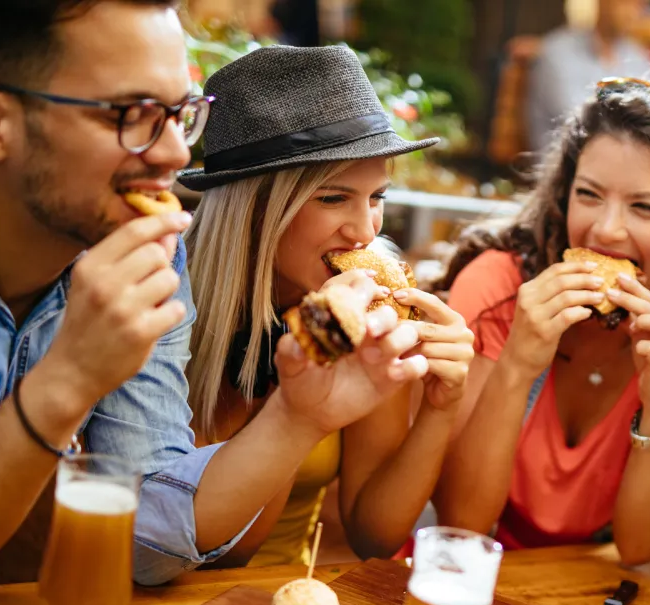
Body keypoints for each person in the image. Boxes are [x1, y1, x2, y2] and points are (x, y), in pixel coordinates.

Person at [0, 0, 423, 605]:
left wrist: (297, 416)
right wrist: (68, 380)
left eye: (181, 115)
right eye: (137, 115)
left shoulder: (146, 251)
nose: (176, 154)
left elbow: (145, 541)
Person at [436, 73, 650, 563]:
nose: (605, 230)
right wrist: (518, 365)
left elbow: (639, 548)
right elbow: (460, 524)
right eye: (589, 194)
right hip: (458, 574)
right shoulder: (498, 290)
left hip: (577, 600)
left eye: (644, 207)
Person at [179, 45, 474, 566]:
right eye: (333, 198)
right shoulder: (168, 306)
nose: (365, 233)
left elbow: (374, 534)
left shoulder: (365, 312)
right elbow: (213, 551)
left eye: (377, 197)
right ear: (254, 209)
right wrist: (296, 390)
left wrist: (439, 405)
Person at [525, 0, 650, 151]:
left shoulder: (637, 57)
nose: (634, 11)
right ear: (603, 3)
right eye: (627, 2)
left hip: (616, 156)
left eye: (642, 5)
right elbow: (580, 120)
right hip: (564, 159)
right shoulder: (558, 51)